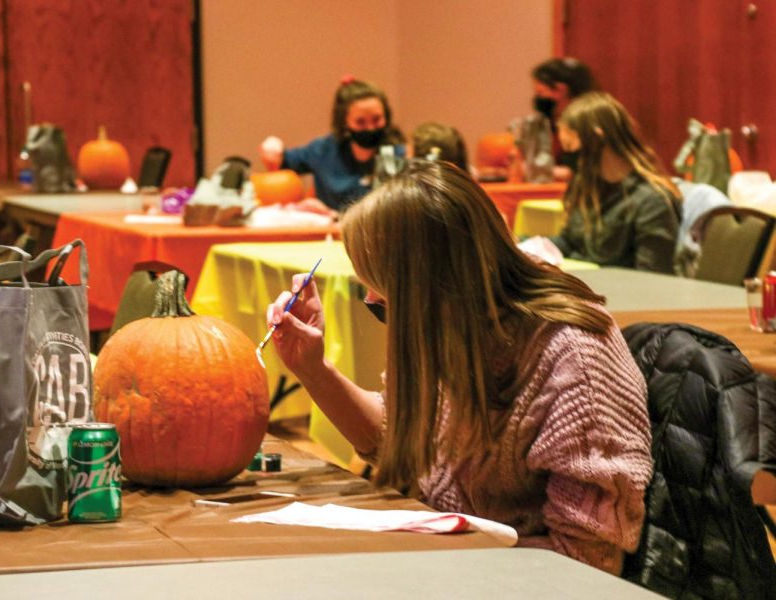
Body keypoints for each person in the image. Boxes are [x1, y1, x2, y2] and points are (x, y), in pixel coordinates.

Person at [266, 159, 653, 575]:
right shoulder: (456, 325)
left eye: (386, 299)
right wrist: (313, 369)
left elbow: (586, 561)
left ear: (437, 288)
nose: (376, 305)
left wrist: (439, 564)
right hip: (451, 562)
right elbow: (397, 438)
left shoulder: (573, 358)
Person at [548, 92, 681, 273]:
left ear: (596, 139)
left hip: (623, 296)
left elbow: (652, 276)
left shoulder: (652, 202)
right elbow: (570, 242)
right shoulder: (586, 186)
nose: (567, 158)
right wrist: (520, 246)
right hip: (585, 290)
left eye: (570, 147)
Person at [259, 77, 405, 216]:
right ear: (344, 121)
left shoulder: (399, 155)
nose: (370, 128)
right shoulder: (323, 150)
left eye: (377, 119)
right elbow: (282, 162)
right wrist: (272, 150)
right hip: (330, 237)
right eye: (360, 122)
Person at [528, 57, 599, 180]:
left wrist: (547, 171)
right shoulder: (549, 123)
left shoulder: (591, 124)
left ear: (561, 89)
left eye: (540, 93)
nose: (537, 99)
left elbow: (589, 171)